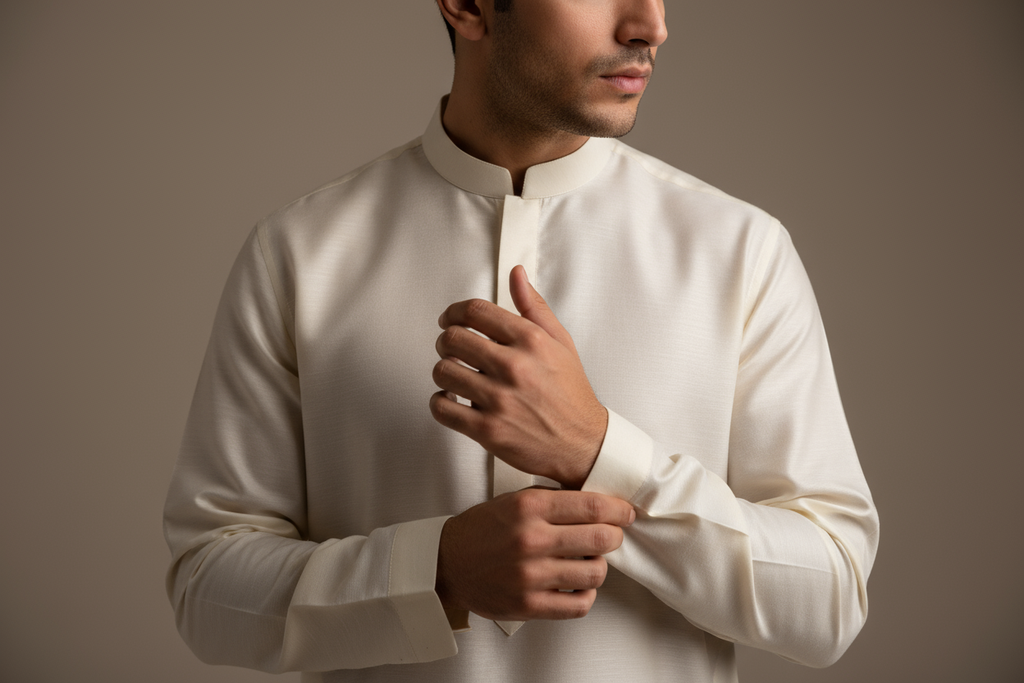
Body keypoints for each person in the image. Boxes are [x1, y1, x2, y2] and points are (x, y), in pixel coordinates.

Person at [163, 1, 879, 681]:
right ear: (468, 6)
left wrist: (600, 452)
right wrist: (433, 572)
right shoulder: (299, 256)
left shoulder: (741, 254)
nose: (651, 25)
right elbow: (207, 589)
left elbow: (830, 599)